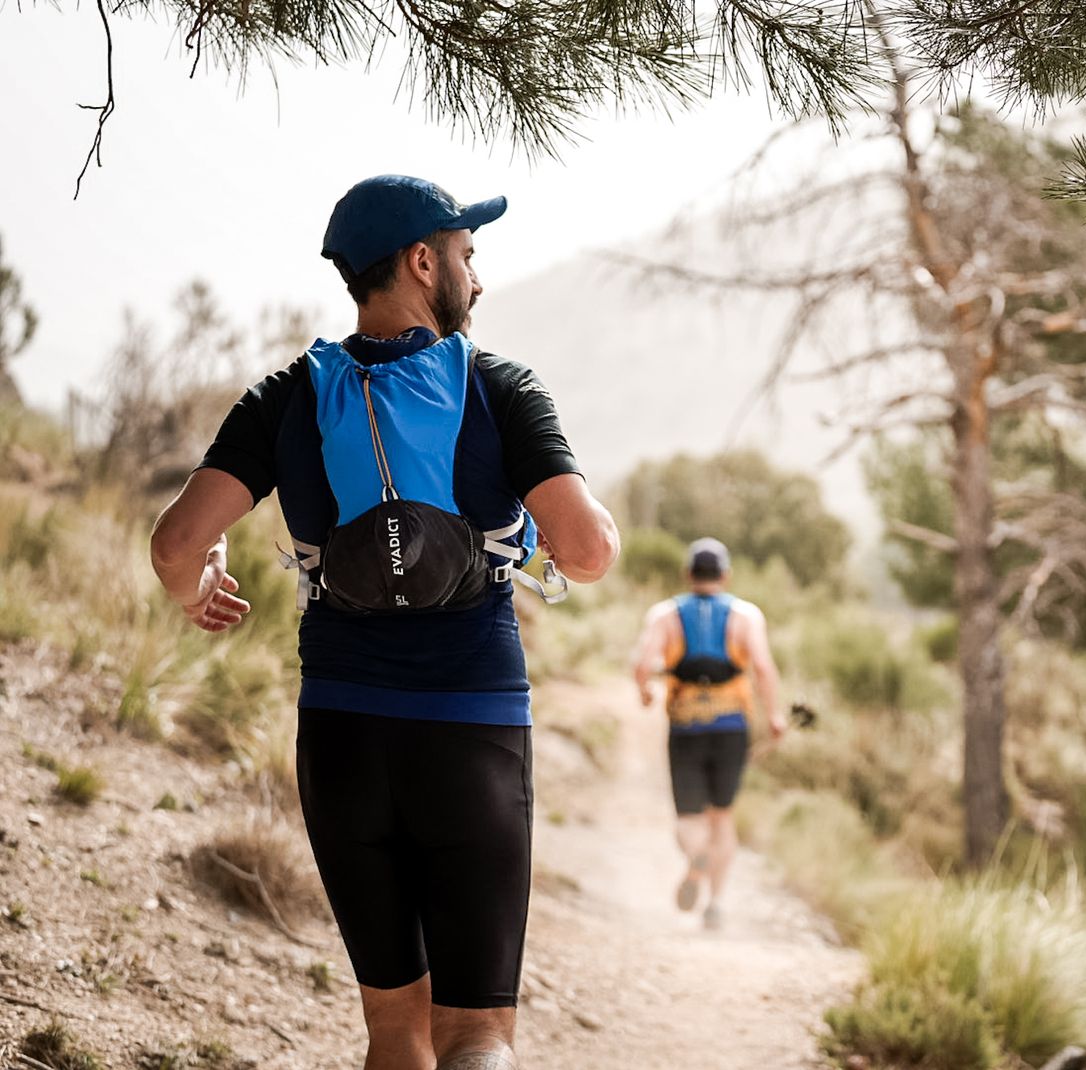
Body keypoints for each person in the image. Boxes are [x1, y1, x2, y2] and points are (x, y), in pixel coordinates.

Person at [149, 175, 618, 1070]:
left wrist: (194, 588)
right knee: (476, 1032)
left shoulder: (288, 394)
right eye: (467, 257)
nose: (475, 280)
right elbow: (587, 551)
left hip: (341, 731)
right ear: (420, 261)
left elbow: (177, 541)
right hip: (471, 732)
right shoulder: (499, 387)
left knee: (395, 1033)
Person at [630, 537, 784, 930]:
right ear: (726, 575)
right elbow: (763, 669)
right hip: (732, 726)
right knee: (723, 817)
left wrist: (646, 693)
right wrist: (776, 716)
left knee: (688, 817)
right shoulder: (746, 616)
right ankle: (714, 904)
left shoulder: (664, 614)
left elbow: (642, 663)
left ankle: (696, 856)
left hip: (686, 725)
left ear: (688, 574)